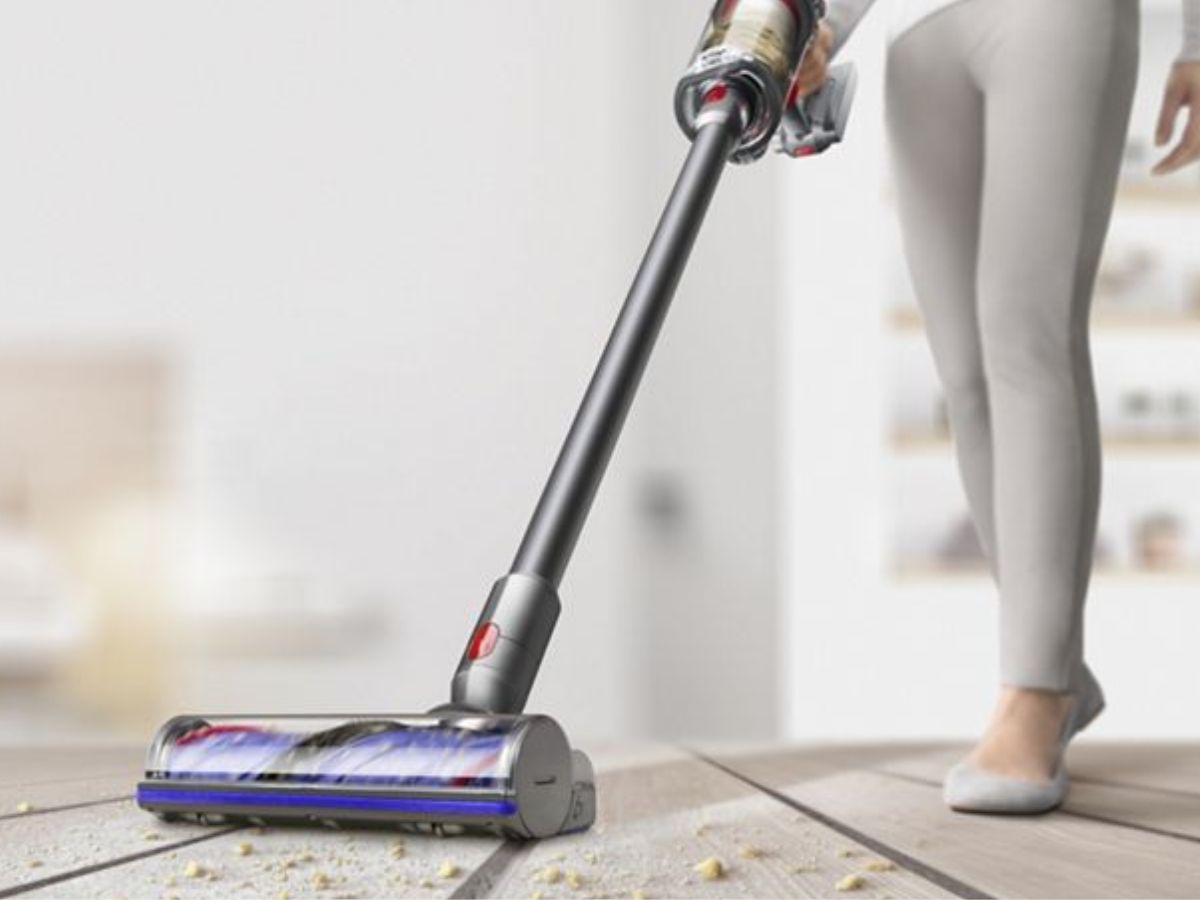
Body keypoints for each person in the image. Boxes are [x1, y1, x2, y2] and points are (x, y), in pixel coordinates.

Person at [796, 0, 1200, 813]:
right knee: (965, 372)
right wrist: (821, 26)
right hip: (920, 33)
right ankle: (1056, 670)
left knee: (1027, 340)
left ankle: (1036, 690)